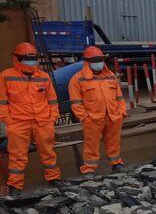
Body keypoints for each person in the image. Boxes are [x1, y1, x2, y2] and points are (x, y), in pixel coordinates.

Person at [0, 43, 62, 195]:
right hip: (18, 122)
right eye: (28, 59)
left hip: (42, 121)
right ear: (17, 59)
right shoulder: (6, 76)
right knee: (17, 155)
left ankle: (54, 179)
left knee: (48, 151)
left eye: (33, 59)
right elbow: (2, 102)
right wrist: (9, 121)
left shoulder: (43, 76)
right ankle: (15, 186)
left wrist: (52, 117)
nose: (31, 62)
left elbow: (52, 100)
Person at [68, 46, 127, 177]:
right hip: (92, 119)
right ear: (87, 62)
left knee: (114, 142)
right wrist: (85, 118)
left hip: (113, 116)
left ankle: (116, 164)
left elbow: (119, 97)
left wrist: (121, 112)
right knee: (91, 145)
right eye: (95, 60)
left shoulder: (111, 76)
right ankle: (89, 169)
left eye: (100, 60)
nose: (98, 63)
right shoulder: (77, 79)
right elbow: (76, 103)